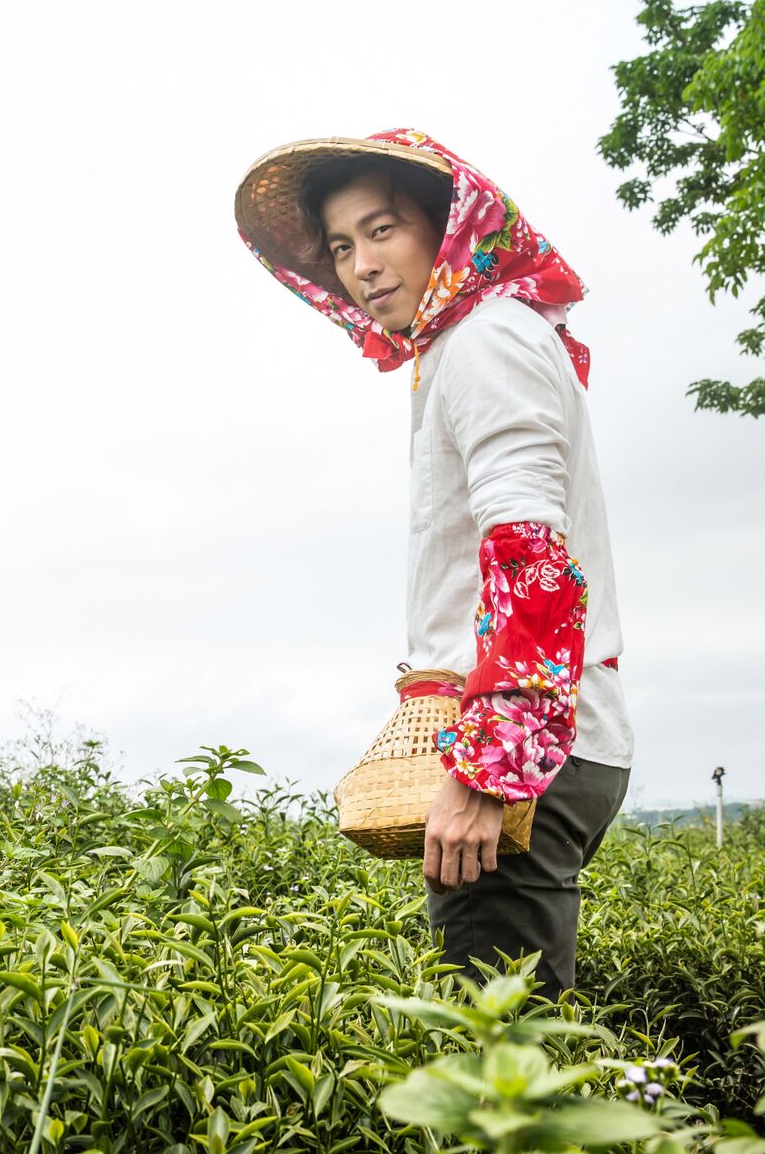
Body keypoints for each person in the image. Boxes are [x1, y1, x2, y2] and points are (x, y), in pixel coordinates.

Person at [233, 130, 633, 996]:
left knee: (504, 1078)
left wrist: (489, 771)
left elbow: (532, 558)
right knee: (514, 1048)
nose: (362, 264)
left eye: (383, 230)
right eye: (342, 246)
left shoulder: (488, 339)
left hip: (525, 756)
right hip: (544, 744)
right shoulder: (467, 345)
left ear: (447, 230)